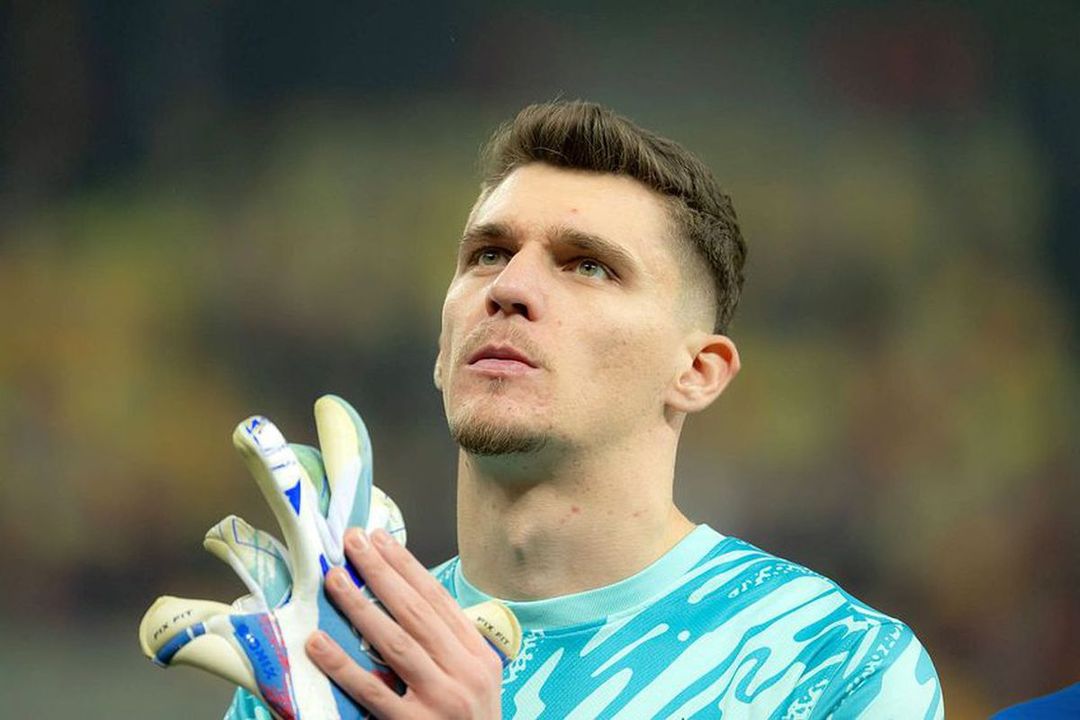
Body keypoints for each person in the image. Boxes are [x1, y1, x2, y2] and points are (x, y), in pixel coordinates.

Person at [228, 101, 944, 718]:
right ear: (443, 349)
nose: (509, 288)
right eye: (488, 254)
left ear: (696, 372)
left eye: (588, 265)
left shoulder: (835, 664)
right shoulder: (325, 657)